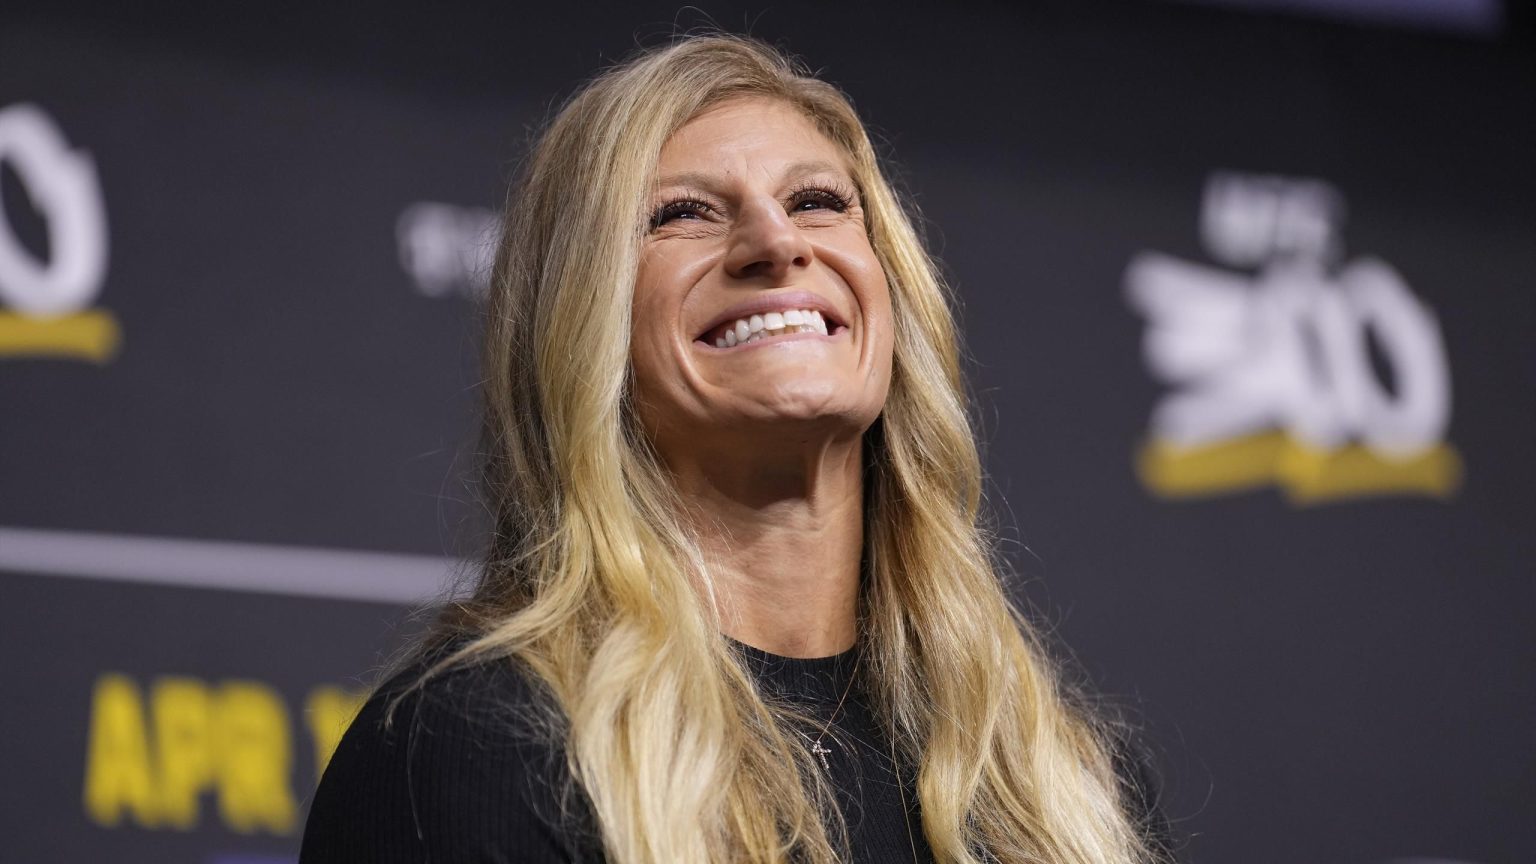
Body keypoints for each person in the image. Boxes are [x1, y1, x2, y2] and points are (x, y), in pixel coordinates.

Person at [300, 34, 1173, 864]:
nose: (776, 242)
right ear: (577, 321)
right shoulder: (472, 752)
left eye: (817, 202)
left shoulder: (1063, 788)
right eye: (682, 214)